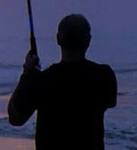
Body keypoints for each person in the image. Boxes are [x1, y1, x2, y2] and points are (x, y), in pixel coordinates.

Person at [8, 14, 117, 149]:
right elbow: (104, 104)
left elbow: (15, 118)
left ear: (58, 39)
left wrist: (26, 75)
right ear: (88, 40)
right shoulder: (104, 75)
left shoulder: (42, 80)